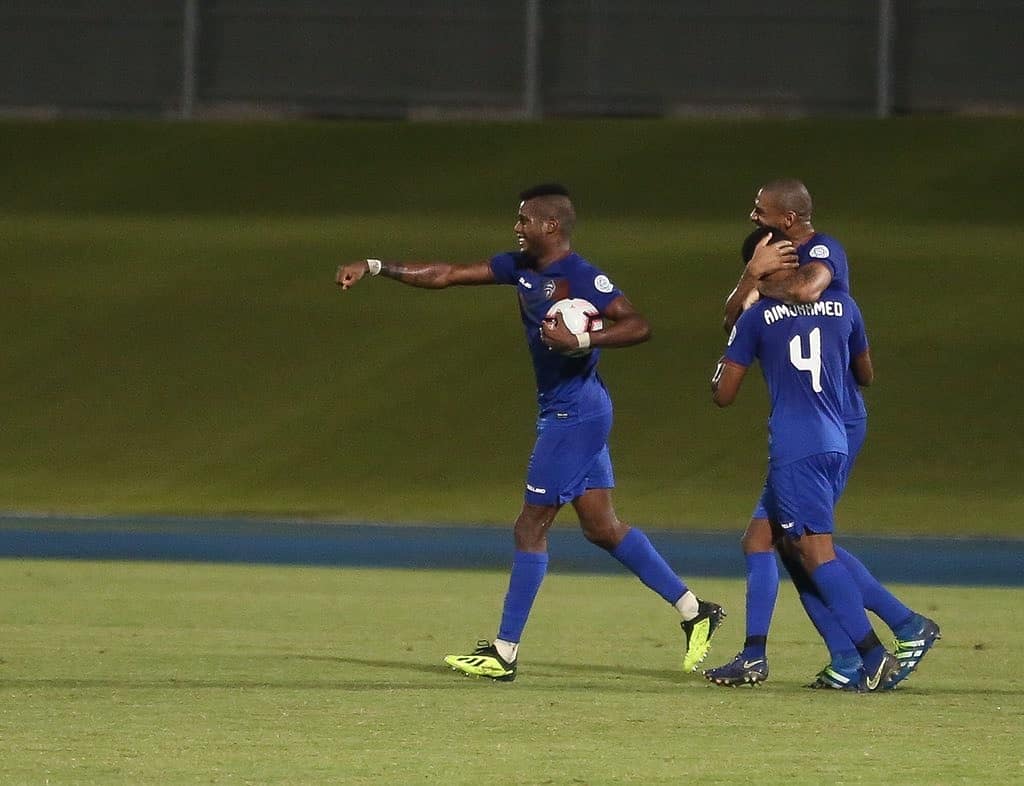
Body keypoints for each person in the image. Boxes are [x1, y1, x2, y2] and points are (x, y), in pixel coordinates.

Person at [335, 183, 725, 682]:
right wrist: (375, 266)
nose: (517, 228)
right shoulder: (520, 268)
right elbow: (448, 275)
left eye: (525, 220)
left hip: (574, 415)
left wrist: (582, 337)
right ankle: (695, 611)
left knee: (530, 527)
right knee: (601, 527)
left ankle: (504, 653)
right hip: (572, 409)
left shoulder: (581, 276)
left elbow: (638, 325)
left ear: (551, 226)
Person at [705, 180, 940, 689]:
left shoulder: (824, 251)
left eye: (760, 211)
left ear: (787, 223)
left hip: (825, 425)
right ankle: (788, 656)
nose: (753, 216)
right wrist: (751, 277)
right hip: (831, 419)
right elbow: (864, 368)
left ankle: (889, 638)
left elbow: (797, 295)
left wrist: (757, 285)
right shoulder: (843, 308)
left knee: (811, 546)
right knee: (767, 540)